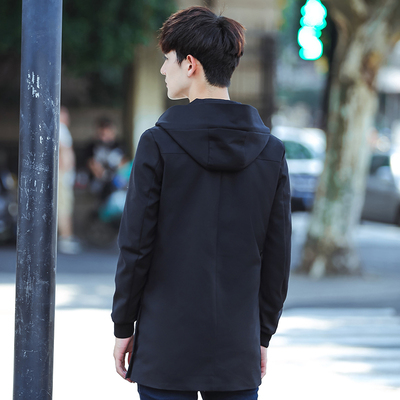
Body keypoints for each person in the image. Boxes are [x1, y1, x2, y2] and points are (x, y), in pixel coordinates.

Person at [112, 6, 291, 400]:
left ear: (190, 64)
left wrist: (123, 325)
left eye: (167, 59)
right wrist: (262, 335)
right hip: (236, 346)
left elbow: (136, 246)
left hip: (164, 344)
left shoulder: (157, 144)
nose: (163, 70)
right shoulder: (271, 152)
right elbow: (277, 258)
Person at [58, 106, 81, 254]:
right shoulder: (60, 129)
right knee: (64, 207)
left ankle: (66, 238)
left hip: (65, 175)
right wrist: (64, 172)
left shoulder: (62, 129)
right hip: (63, 176)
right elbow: (62, 152)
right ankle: (66, 239)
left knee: (65, 206)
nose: (67, 118)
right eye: (64, 115)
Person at [85, 116, 125, 199]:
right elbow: (93, 166)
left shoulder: (120, 146)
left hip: (117, 187)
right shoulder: (92, 147)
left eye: (107, 132)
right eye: (101, 133)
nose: (104, 136)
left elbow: (124, 166)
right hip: (98, 187)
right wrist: (105, 175)